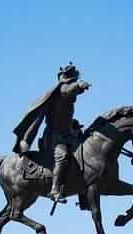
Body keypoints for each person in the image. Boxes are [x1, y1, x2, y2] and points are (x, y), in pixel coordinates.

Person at [12, 63, 90, 203]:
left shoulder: (67, 94)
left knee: (86, 153)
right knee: (63, 156)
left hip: (68, 134)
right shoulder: (62, 90)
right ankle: (54, 190)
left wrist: (73, 124)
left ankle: (83, 195)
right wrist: (78, 85)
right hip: (54, 137)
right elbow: (68, 90)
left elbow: (65, 114)